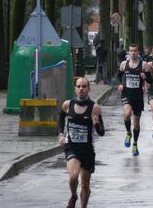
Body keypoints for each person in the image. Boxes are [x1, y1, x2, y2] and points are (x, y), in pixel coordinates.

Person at [59, 77, 104, 208]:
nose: (81, 89)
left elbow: (101, 132)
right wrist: (61, 133)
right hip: (72, 147)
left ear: (89, 89)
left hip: (87, 150)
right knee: (73, 176)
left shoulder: (94, 108)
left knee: (85, 185)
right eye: (78, 86)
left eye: (84, 86)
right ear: (75, 89)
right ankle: (73, 196)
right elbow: (61, 117)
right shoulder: (68, 104)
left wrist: (96, 124)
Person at [117, 44, 152, 156]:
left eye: (135, 51)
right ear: (128, 52)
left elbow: (151, 80)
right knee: (127, 114)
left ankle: (135, 144)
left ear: (138, 52)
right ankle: (128, 133)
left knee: (136, 123)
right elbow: (118, 76)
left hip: (137, 97)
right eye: (131, 51)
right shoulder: (124, 64)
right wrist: (120, 84)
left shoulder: (144, 65)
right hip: (126, 94)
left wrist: (145, 77)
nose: (133, 53)